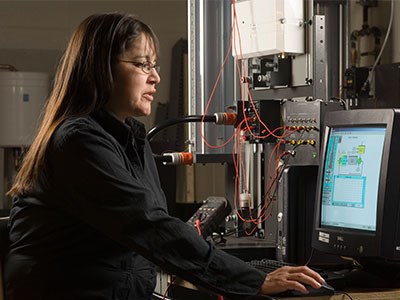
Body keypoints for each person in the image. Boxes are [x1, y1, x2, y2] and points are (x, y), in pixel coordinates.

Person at [4, 12, 325, 300]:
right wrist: (254, 280)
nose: (155, 76)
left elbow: (152, 223)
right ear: (101, 68)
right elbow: (149, 225)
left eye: (155, 65)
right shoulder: (77, 143)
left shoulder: (129, 136)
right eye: (142, 64)